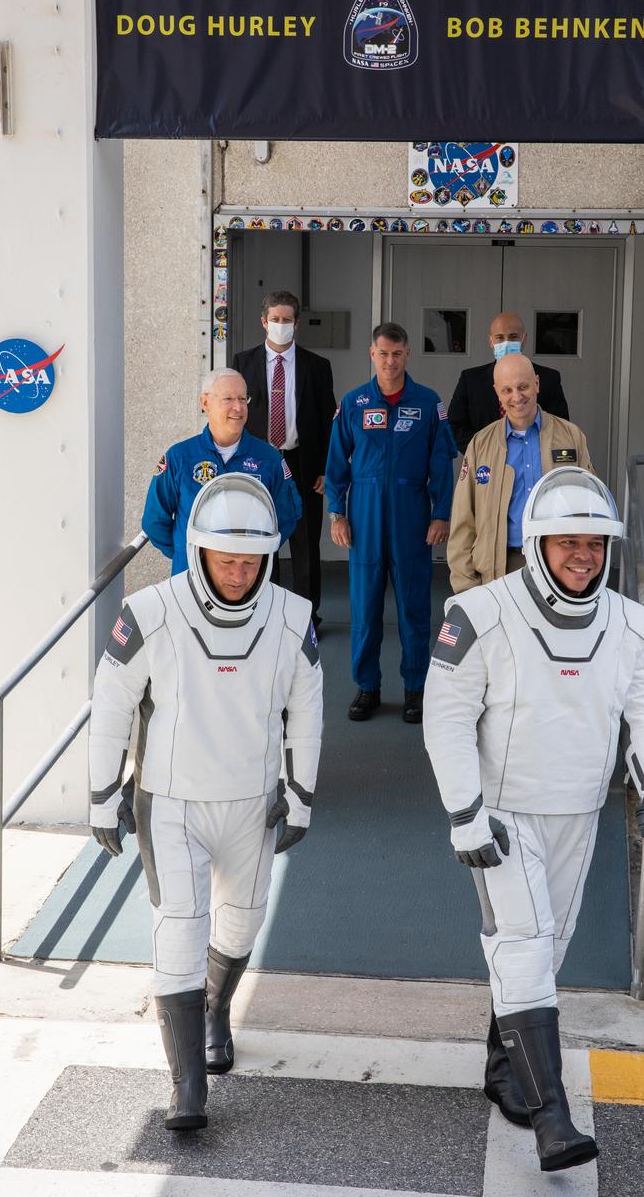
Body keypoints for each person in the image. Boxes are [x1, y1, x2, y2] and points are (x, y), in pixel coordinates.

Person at [424, 467, 644, 1172]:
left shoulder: (629, 622)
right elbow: (445, 719)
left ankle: (505, 1063)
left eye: (594, 544)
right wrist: (465, 813)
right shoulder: (479, 613)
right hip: (503, 812)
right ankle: (551, 1116)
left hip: (577, 810)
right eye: (567, 542)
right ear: (535, 544)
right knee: (528, 941)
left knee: (546, 946)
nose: (582, 556)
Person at [89, 474, 323, 1131]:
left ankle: (217, 1011)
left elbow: (305, 712)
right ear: (197, 549)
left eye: (251, 560)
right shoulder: (148, 612)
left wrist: (301, 792)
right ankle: (187, 1083)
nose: (239, 572)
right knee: (180, 932)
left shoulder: (292, 615)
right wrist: (103, 795)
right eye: (227, 558)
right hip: (170, 802)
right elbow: (108, 708)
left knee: (243, 925)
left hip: (253, 801)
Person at [325, 322, 457, 723]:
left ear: (408, 355)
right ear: (372, 354)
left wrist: (441, 513)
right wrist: (337, 513)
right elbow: (335, 466)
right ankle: (367, 687)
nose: (390, 361)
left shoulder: (428, 403)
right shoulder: (353, 403)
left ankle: (416, 689)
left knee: (415, 606)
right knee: (364, 608)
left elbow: (443, 466)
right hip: (364, 515)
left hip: (411, 513)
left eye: (397, 354)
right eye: (382, 353)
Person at [233, 291, 337, 627]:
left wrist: (325, 469)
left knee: (306, 546)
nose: (281, 325)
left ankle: (306, 618)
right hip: (258, 467)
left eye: (287, 320)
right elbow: (235, 417)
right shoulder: (242, 363)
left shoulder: (317, 367)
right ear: (264, 321)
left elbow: (326, 421)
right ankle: (266, 615)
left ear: (296, 323)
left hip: (303, 465)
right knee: (264, 544)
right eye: (275, 319)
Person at [447, 353, 593, 593]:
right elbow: (464, 521)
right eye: (507, 390)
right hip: (499, 570)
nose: (516, 397)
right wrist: (466, 588)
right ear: (497, 392)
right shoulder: (480, 444)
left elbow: (589, 507)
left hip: (557, 567)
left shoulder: (571, 437)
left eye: (523, 386)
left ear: (536, 384)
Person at [142, 368, 301, 575]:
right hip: (190, 578)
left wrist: (251, 558)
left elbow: (287, 517)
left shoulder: (269, 459)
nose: (238, 407)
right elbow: (154, 521)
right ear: (205, 403)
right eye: (228, 399)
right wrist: (188, 554)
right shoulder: (179, 457)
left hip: (246, 583)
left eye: (243, 399)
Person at [448, 311, 569, 454]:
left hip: (536, 460)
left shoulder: (548, 378)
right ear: (491, 341)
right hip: (487, 465)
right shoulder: (470, 379)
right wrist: (483, 452)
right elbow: (454, 425)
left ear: (524, 339)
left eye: (513, 337)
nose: (506, 343)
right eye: (500, 337)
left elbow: (560, 426)